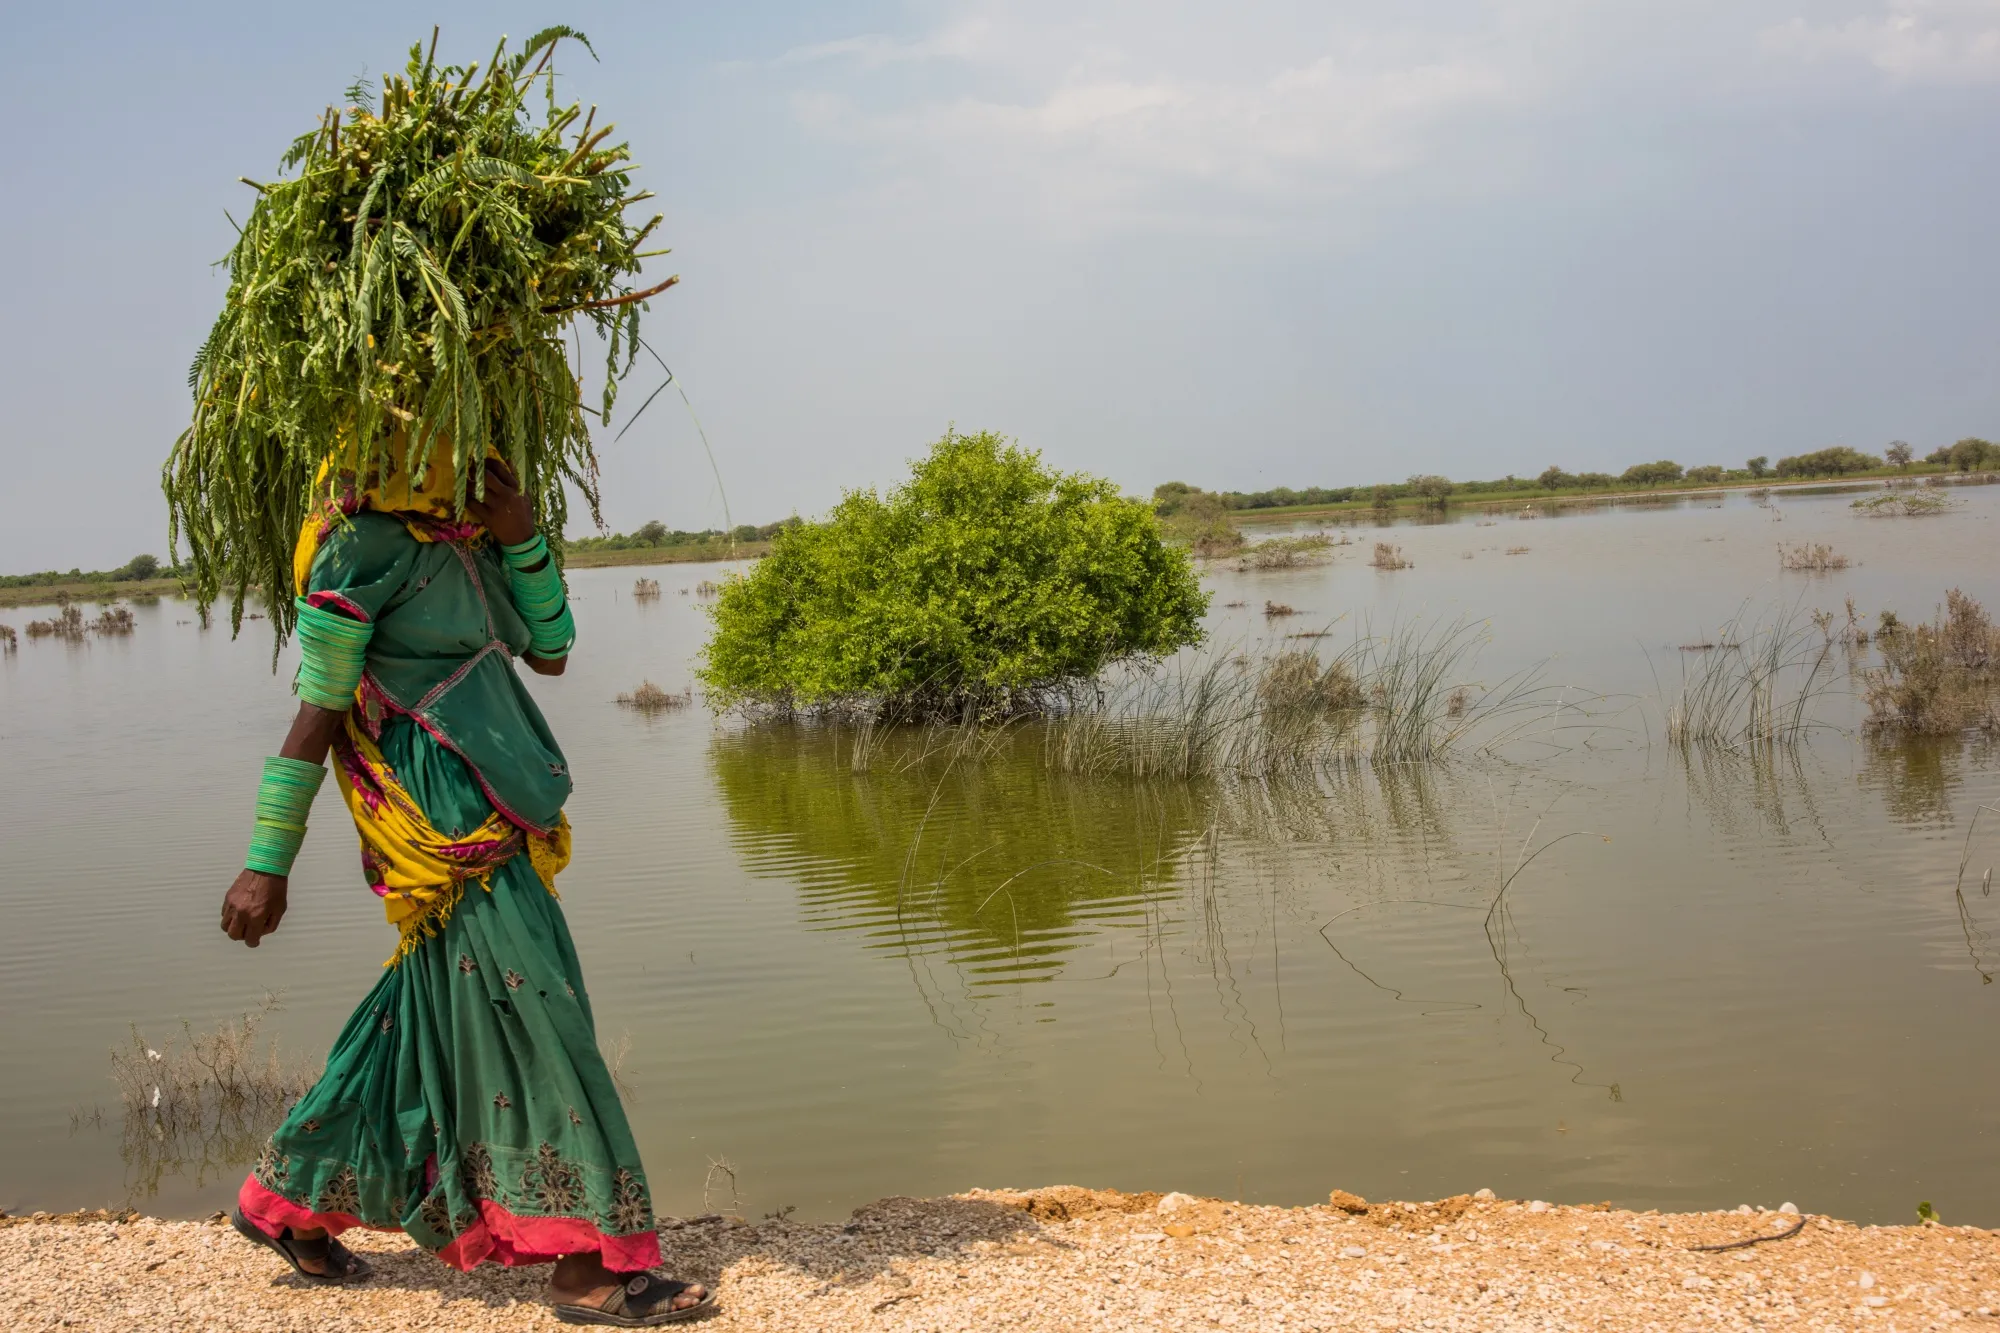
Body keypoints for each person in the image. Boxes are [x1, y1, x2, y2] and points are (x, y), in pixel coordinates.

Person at [219, 442, 711, 1325]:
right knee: (546, 1011)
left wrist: (521, 537)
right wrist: (267, 859)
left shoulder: (474, 539)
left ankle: (283, 1198)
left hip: (502, 792)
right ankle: (587, 1260)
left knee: (418, 1016)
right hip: (441, 820)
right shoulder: (356, 546)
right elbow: (318, 709)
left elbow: (552, 650)